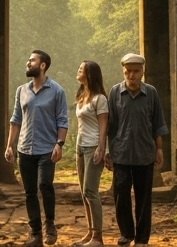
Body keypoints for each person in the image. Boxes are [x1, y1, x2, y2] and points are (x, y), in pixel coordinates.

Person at [5, 49, 69, 247]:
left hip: (47, 149)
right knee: (30, 192)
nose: (28, 63)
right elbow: (16, 120)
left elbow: (62, 121)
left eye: (32, 60)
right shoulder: (21, 91)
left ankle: (50, 224)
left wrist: (59, 144)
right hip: (25, 149)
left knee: (45, 185)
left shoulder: (57, 90)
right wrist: (10, 146)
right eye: (28, 60)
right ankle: (35, 234)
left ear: (42, 65)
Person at [104, 53, 168, 246]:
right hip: (121, 153)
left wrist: (159, 149)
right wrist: (109, 151)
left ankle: (141, 238)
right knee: (121, 195)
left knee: (144, 198)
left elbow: (157, 123)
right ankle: (126, 233)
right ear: (123, 71)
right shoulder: (115, 92)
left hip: (144, 154)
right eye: (127, 72)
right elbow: (110, 126)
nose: (131, 76)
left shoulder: (151, 93)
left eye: (135, 72)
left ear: (142, 72)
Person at [71, 61, 109, 247]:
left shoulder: (99, 99)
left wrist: (102, 148)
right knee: (83, 193)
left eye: (81, 69)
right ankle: (89, 233)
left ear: (90, 74)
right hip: (80, 147)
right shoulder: (81, 96)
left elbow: (103, 126)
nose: (78, 71)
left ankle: (98, 238)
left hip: (94, 147)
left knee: (90, 191)